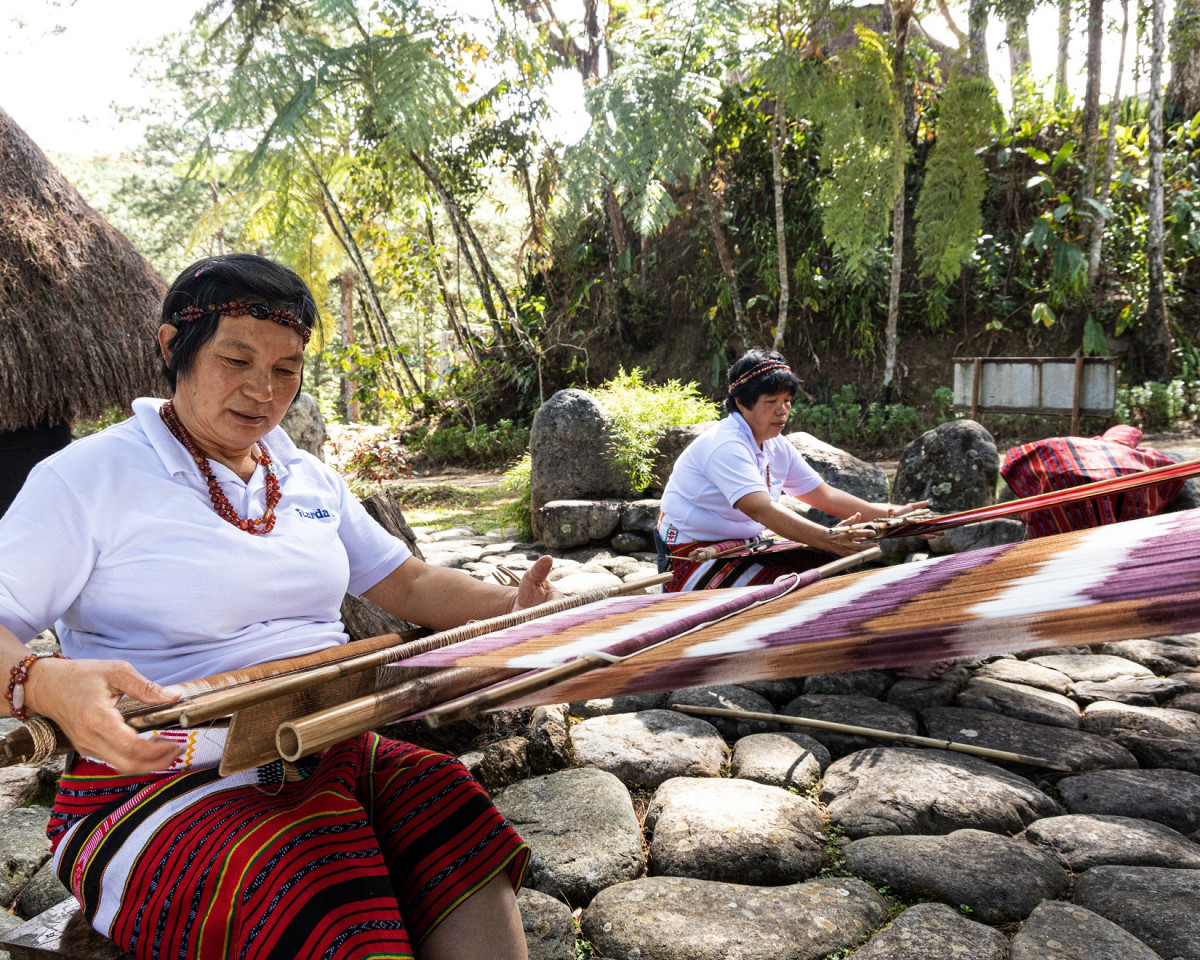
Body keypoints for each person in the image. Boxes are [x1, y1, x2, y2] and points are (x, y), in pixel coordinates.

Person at [0, 254, 553, 960]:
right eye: (236, 360)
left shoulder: (305, 476)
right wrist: (41, 681)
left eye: (286, 370)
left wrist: (513, 605)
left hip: (328, 741)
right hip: (160, 778)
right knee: (313, 869)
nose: (263, 391)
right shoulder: (89, 476)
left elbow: (407, 584)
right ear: (174, 348)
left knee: (446, 801)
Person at [655, 349, 928, 592]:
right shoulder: (725, 445)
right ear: (741, 403)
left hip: (744, 544)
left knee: (827, 572)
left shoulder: (776, 445)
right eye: (771, 402)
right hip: (691, 553)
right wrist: (830, 539)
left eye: (787, 400)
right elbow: (762, 510)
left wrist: (895, 515)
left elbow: (825, 496)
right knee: (790, 590)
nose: (782, 411)